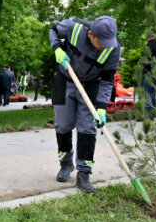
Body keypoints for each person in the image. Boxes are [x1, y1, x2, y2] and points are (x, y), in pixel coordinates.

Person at [51, 16, 121, 193]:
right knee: (62, 125)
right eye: (102, 42)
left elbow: (107, 80)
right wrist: (57, 48)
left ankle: (84, 173)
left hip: (90, 85)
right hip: (63, 79)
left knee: (87, 128)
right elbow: (53, 30)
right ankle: (66, 163)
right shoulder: (73, 28)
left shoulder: (112, 49)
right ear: (90, 34)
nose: (106, 46)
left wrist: (101, 109)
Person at [140, 30, 156, 115]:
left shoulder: (147, 47)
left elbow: (143, 61)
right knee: (153, 94)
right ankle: (153, 112)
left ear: (147, 36)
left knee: (147, 94)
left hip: (147, 73)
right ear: (155, 35)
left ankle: (148, 114)